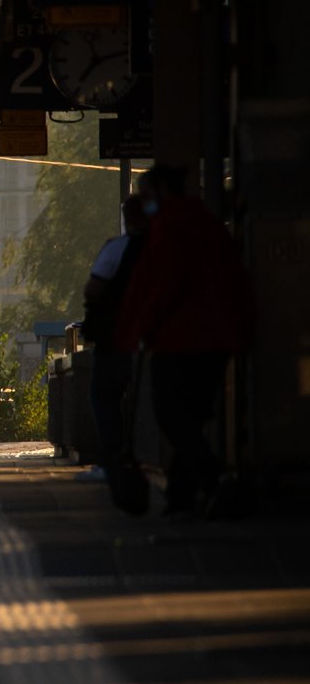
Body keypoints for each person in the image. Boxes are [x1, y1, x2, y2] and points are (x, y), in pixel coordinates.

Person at [112, 166, 255, 517]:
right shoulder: (203, 221)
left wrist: (143, 326)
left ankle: (215, 481)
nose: (145, 205)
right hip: (215, 338)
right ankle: (181, 496)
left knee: (172, 416)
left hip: (182, 339)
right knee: (189, 418)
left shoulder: (173, 224)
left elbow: (167, 282)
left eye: (146, 196)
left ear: (163, 190)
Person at [77, 195, 149, 483]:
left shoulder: (119, 248)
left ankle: (114, 461)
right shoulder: (167, 247)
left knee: (104, 397)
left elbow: (93, 289)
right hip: (156, 337)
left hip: (117, 338)